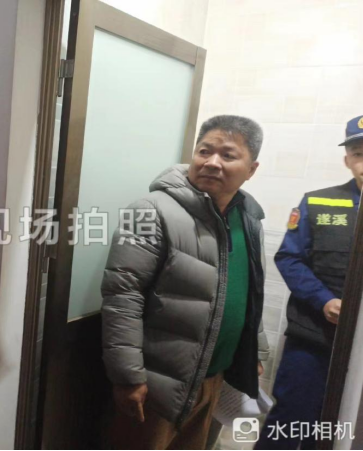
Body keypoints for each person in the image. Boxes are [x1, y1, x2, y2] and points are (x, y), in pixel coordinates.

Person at [102, 115, 270, 450]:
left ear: (251, 169)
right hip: (158, 383)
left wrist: (257, 349)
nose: (212, 162)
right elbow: (123, 297)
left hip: (215, 376)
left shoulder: (249, 218)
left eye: (228, 155)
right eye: (204, 151)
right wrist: (128, 376)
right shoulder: (151, 211)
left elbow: (251, 291)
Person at [255, 115, 363, 450]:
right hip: (314, 335)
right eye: (359, 153)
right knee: (291, 419)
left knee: (346, 428)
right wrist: (323, 300)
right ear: (347, 160)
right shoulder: (317, 202)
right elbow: (289, 257)